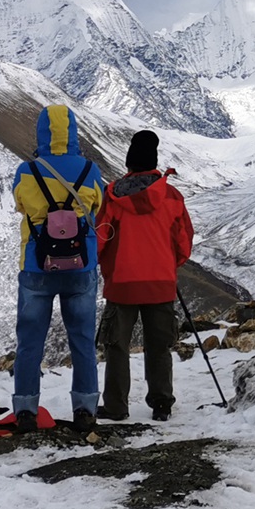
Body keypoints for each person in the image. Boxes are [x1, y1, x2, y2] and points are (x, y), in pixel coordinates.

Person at [11, 103, 106, 435]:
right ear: (75, 132)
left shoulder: (27, 170)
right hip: (81, 266)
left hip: (37, 266)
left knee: (29, 342)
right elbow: (98, 205)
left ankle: (25, 410)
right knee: (81, 339)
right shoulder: (91, 170)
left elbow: (20, 204)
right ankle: (85, 409)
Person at [96, 130, 194, 421]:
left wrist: (107, 266)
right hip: (161, 283)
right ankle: (162, 403)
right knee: (158, 346)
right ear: (154, 162)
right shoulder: (172, 197)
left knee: (117, 347)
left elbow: (100, 238)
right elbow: (184, 241)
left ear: (128, 163)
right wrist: (168, 264)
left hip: (122, 284)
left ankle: (116, 406)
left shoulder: (113, 196)